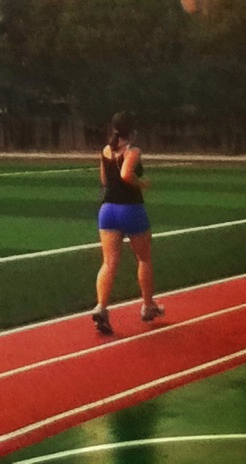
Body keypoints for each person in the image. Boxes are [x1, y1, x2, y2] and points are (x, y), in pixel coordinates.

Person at [91, 111, 164, 335]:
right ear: (132, 129)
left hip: (107, 210)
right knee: (143, 258)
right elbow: (125, 174)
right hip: (130, 209)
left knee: (109, 262)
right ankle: (148, 305)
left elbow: (104, 180)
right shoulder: (133, 151)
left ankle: (101, 307)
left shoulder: (105, 150)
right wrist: (141, 184)